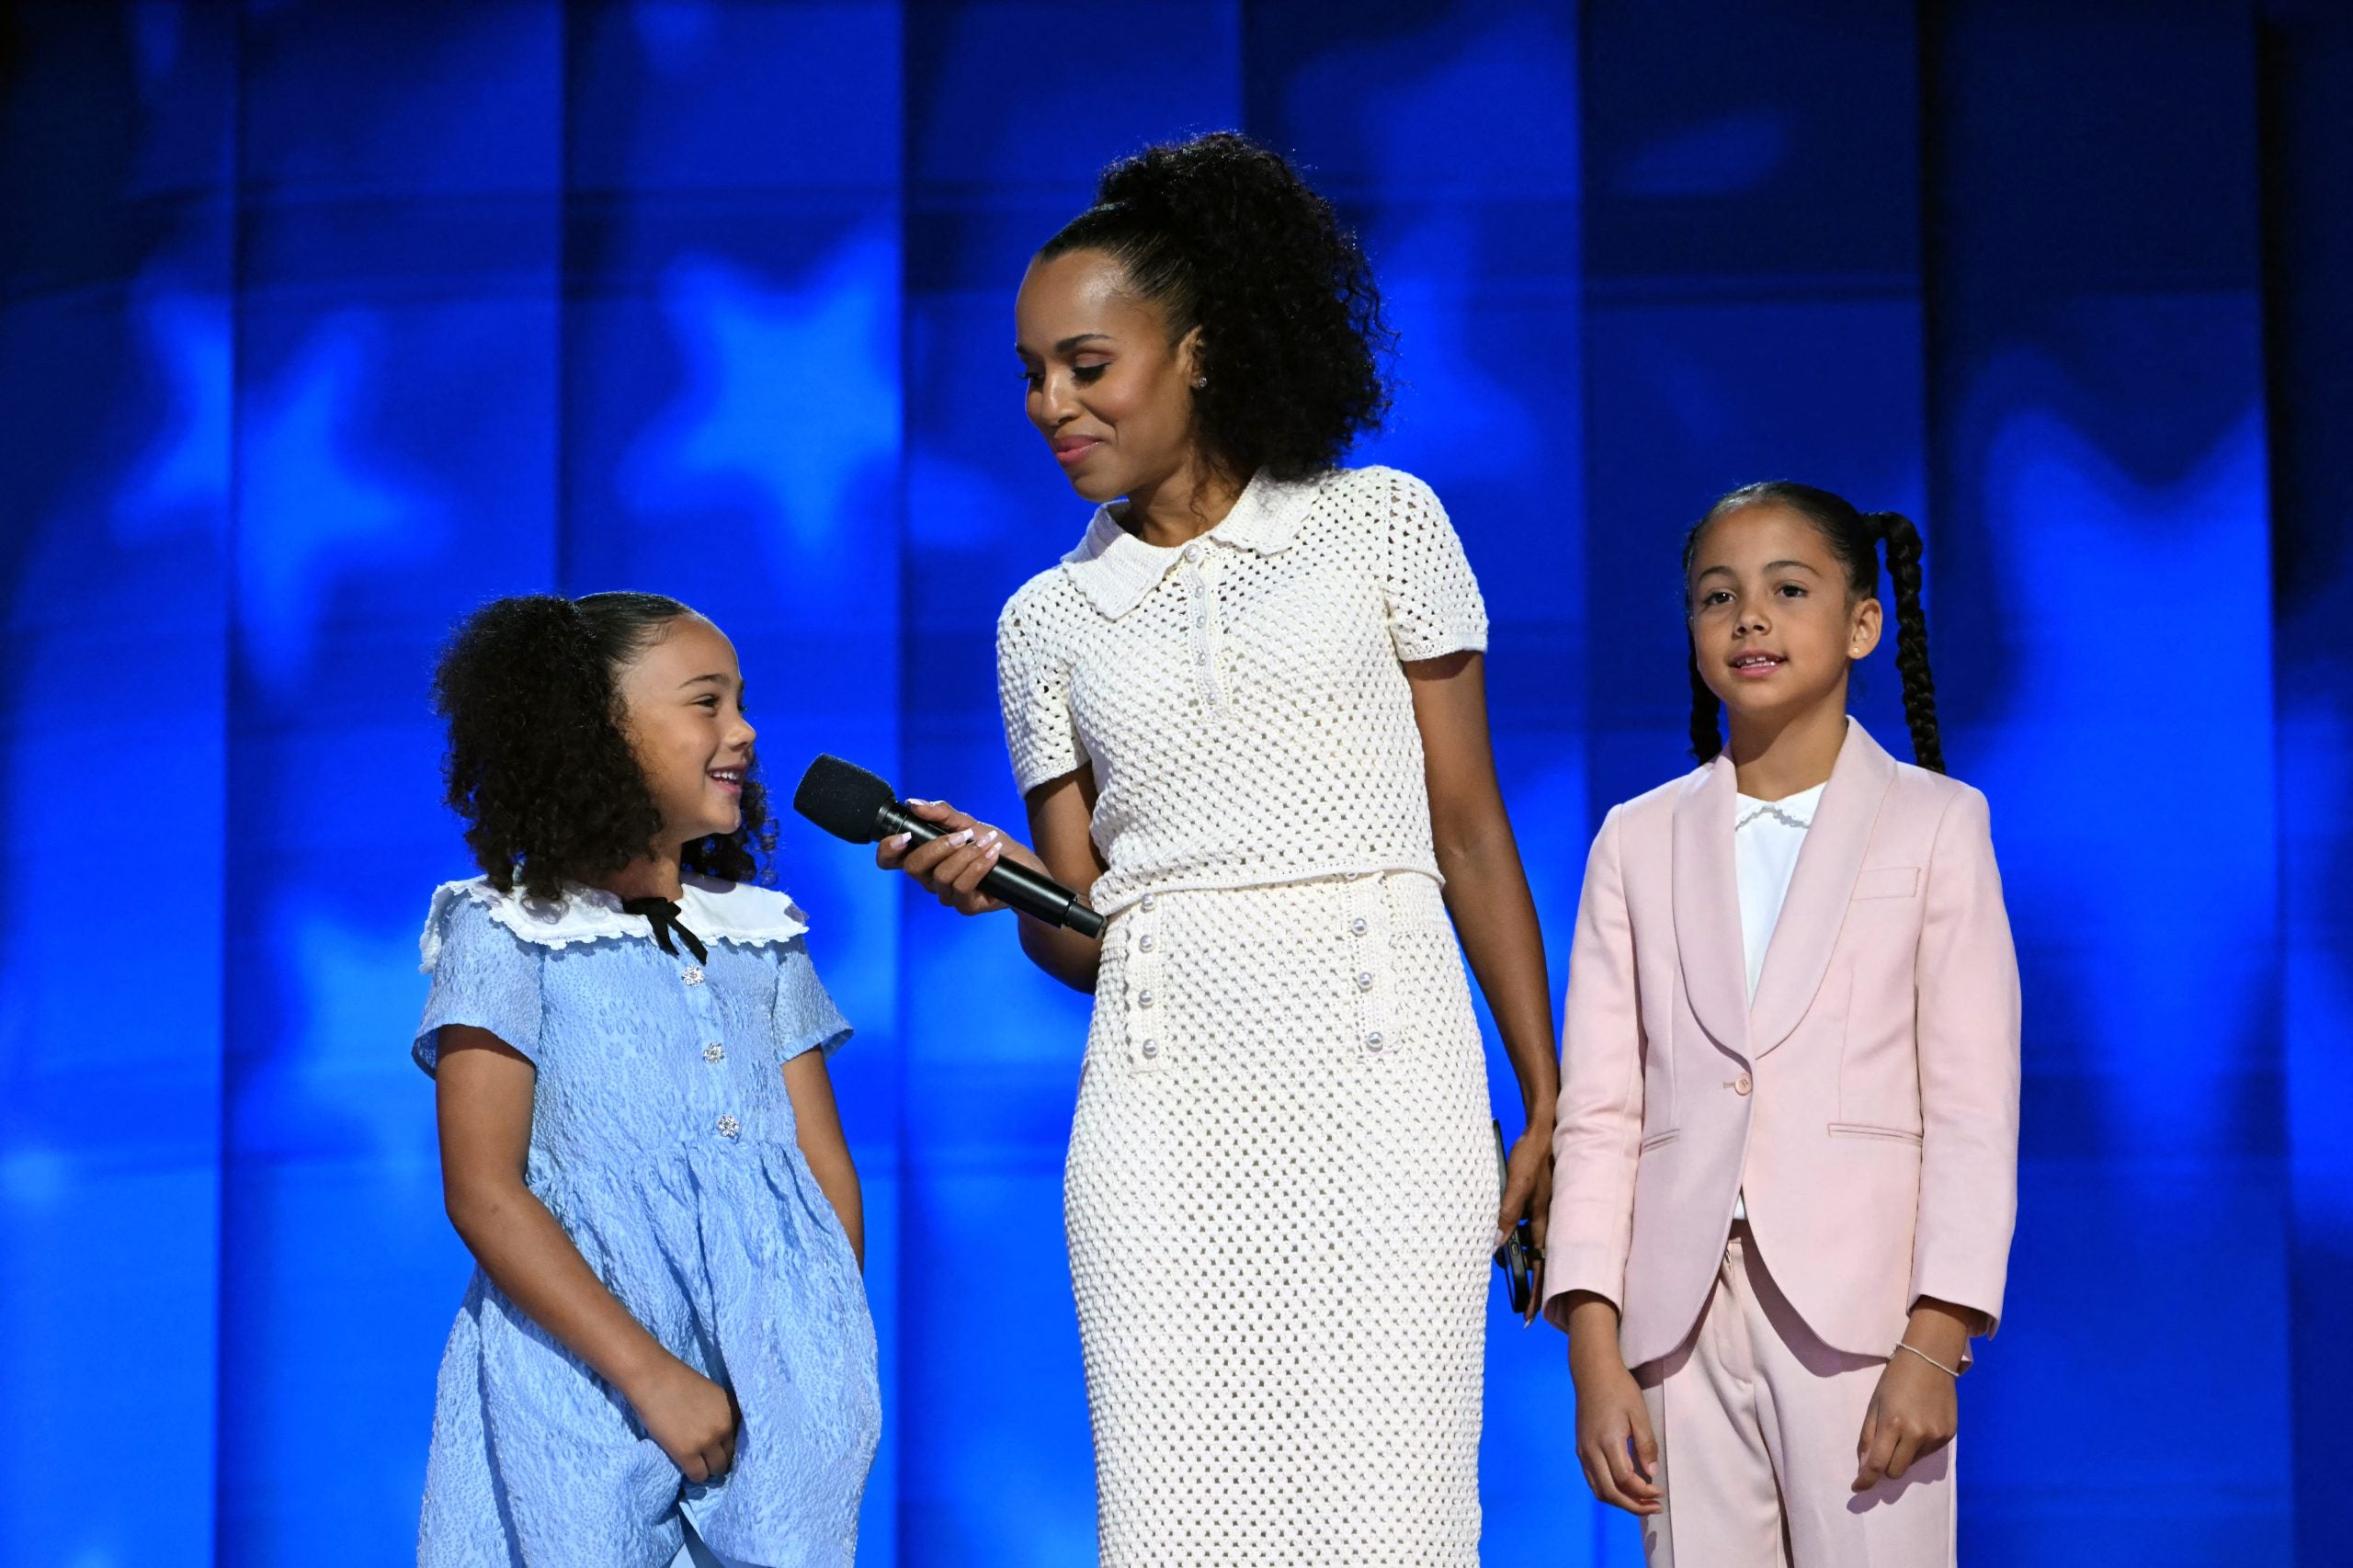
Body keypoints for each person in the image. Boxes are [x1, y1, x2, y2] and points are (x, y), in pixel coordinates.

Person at [881, 131, 1558, 1563]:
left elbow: (1471, 826)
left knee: (1395, 1517)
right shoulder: (1041, 624)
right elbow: (1082, 934)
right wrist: (1002, 886)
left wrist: (1548, 1094)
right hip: (1159, 1112)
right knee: (1177, 1520)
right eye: (1028, 374)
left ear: (1197, 351)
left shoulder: (1381, 525)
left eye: (1085, 363)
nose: (1050, 404)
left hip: (1392, 1088)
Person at [1546, 483, 2020, 1565]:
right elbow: (1603, 1107)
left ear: (1862, 622)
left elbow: (1971, 1102)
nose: (1748, 617)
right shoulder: (1635, 838)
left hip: (1864, 1318)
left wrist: (1936, 1336)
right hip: (1677, 1315)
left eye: (1786, 589)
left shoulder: (1938, 823)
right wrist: (1594, 1346)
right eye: (1718, 596)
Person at [413, 592, 878, 1568]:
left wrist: (807, 1356)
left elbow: (820, 1163)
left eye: (742, 702)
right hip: (579, 1372)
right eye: (706, 703)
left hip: (766, 1378)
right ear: (591, 733)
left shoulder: (761, 934)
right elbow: (484, 1188)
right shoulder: (505, 934)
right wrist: (650, 1373)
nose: (744, 732)